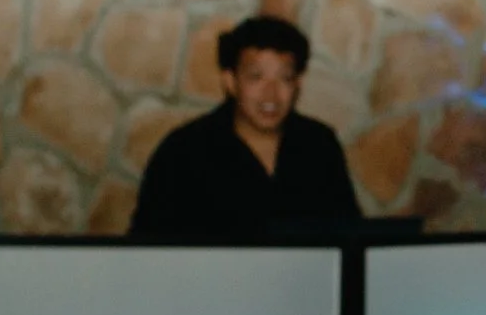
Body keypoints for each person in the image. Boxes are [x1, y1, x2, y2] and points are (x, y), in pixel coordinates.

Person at [128, 15, 359, 239]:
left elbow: (349, 234)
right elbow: (149, 247)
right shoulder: (183, 152)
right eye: (256, 77)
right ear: (230, 81)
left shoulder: (319, 144)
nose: (271, 94)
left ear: (298, 83)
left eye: (285, 78)